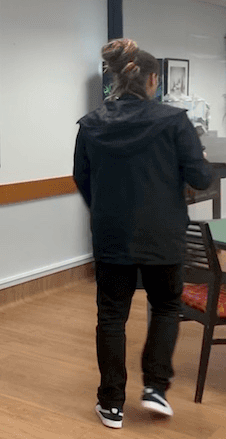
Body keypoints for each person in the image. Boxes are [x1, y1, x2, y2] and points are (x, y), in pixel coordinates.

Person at [74, 38, 212, 429]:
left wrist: (105, 210)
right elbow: (201, 178)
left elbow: (81, 178)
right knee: (167, 307)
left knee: (112, 317)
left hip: (111, 236)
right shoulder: (173, 121)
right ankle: (155, 389)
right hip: (164, 237)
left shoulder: (91, 124)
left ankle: (111, 404)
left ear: (117, 79)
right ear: (153, 80)